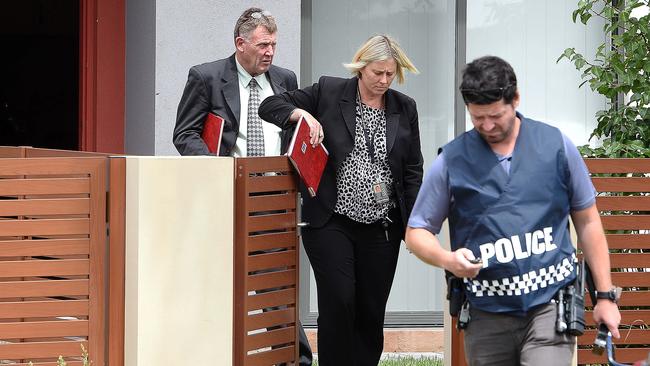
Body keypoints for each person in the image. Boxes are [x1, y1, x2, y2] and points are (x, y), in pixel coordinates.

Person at [405, 55, 621, 366]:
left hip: (549, 305)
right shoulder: (452, 161)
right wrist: (448, 260)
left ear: (515, 99)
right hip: (486, 312)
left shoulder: (556, 146)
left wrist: (604, 296)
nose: (488, 126)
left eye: (495, 115)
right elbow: (417, 232)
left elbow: (587, 222)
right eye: (478, 118)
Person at [258, 35, 423, 366]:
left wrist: (416, 226)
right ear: (361, 68)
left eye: (390, 74)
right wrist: (300, 116)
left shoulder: (405, 107)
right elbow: (270, 106)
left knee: (370, 310)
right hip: (331, 222)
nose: (384, 81)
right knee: (339, 301)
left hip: (382, 227)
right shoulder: (329, 91)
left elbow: (412, 172)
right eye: (378, 73)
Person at [171, 7, 312, 365]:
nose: (269, 52)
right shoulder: (206, 77)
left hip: (273, 196)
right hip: (225, 195)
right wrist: (214, 172)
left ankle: (294, 359)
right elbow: (184, 134)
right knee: (219, 281)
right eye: (263, 45)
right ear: (240, 43)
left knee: (277, 283)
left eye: (273, 45)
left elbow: (293, 135)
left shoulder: (285, 79)